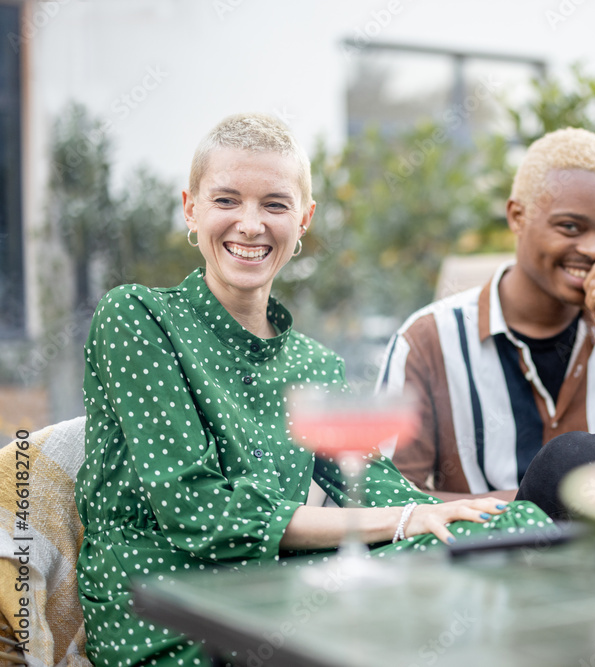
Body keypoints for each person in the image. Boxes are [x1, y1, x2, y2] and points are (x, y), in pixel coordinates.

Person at [75, 113, 549, 667]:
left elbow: (377, 488)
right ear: (191, 208)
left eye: (274, 205)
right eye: (227, 201)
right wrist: (403, 522)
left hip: (280, 594)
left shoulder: (313, 364)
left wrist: (468, 516)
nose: (250, 225)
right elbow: (198, 512)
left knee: (520, 531)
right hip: (164, 610)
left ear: (304, 220)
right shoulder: (137, 317)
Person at [378, 128, 595, 508]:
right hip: (481, 562)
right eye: (570, 227)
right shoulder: (428, 342)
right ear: (517, 216)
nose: (593, 249)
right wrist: (541, 503)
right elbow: (387, 503)